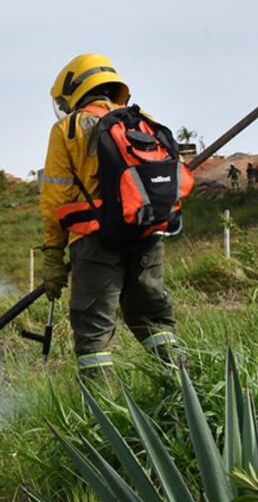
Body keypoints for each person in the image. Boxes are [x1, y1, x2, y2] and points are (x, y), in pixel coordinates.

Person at [39, 54, 178, 378]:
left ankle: (103, 420)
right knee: (154, 320)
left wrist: (53, 254)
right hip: (147, 233)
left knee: (94, 335)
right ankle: (184, 397)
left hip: (95, 241)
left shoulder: (68, 128)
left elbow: (55, 199)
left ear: (74, 90)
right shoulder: (143, 119)